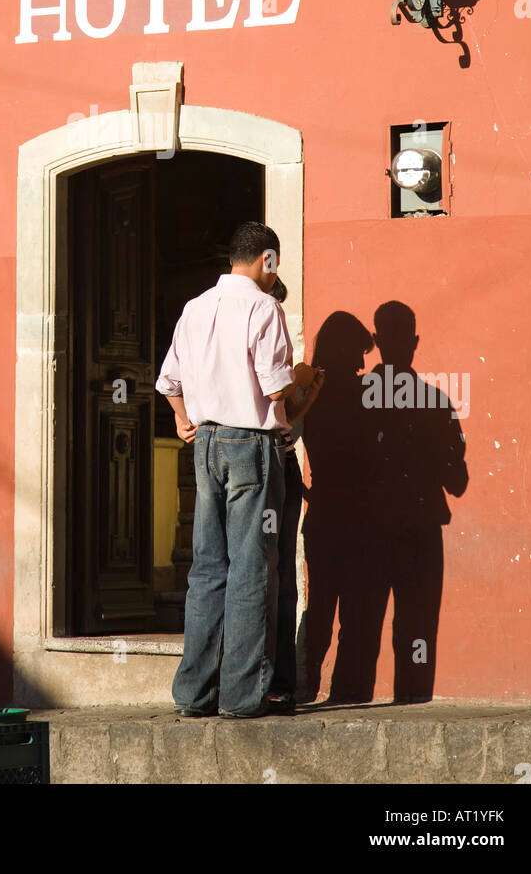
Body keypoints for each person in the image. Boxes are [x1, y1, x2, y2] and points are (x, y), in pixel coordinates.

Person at [155, 221, 324, 718]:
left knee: (207, 569)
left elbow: (169, 381)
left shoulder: (195, 307)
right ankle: (243, 696)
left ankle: (194, 694)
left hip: (206, 444)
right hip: (251, 446)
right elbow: (276, 390)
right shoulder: (263, 307)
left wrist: (185, 421)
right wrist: (305, 380)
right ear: (266, 260)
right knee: (252, 569)